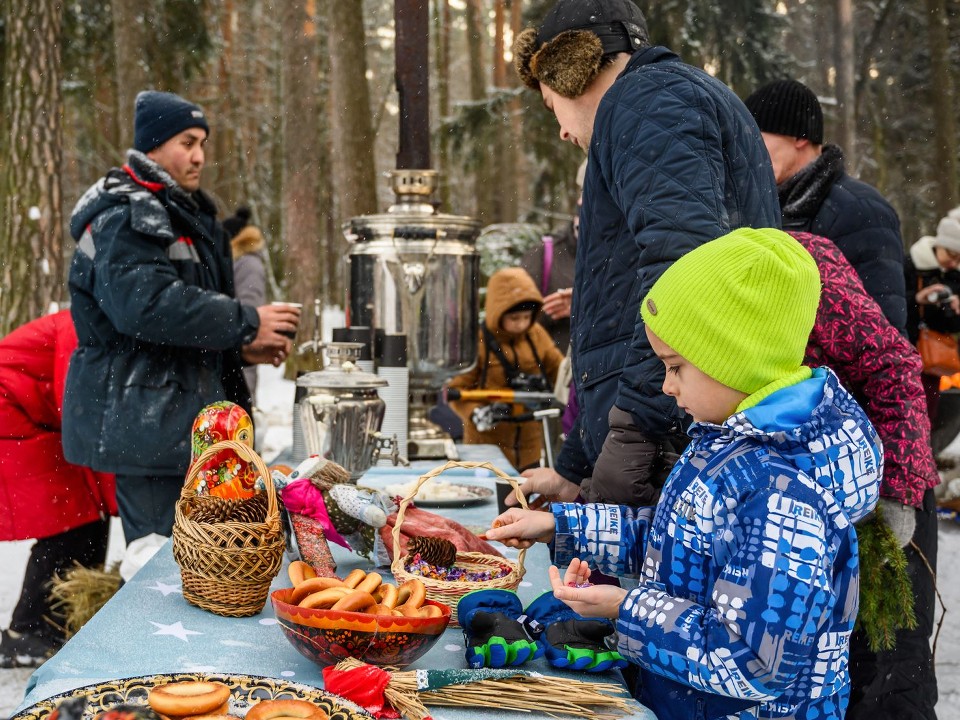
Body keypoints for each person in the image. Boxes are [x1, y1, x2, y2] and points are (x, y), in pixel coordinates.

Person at [486, 227, 884, 720]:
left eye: (675, 367)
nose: (666, 386)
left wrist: (625, 609)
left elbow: (754, 663)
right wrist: (564, 526)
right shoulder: (725, 442)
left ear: (736, 361)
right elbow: (678, 541)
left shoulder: (779, 492)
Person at [512, 0, 781, 508]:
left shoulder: (649, 101)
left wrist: (635, 432)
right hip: (673, 423)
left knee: (659, 587)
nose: (563, 132)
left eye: (553, 107)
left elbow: (681, 275)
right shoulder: (655, 104)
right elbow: (618, 312)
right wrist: (575, 467)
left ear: (572, 70)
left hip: (675, 434)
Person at [63, 90, 300, 548]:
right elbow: (145, 307)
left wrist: (239, 345)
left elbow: (175, 324)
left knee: (199, 564)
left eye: (203, 144)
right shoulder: (126, 216)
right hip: (148, 425)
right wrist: (245, 322)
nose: (199, 157)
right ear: (152, 146)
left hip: (179, 421)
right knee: (160, 572)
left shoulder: (179, 212)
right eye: (187, 143)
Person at [793, 230, 940, 720]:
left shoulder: (801, 254)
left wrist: (896, 488)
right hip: (815, 495)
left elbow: (893, 367)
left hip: (880, 487)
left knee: (889, 671)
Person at [744, 78, 907, 334]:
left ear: (799, 137)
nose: (750, 149)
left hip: (831, 374)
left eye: (757, 137)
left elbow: (883, 335)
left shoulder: (862, 210)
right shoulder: (759, 208)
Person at [0, 311, 117, 667]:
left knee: (86, 514)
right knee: (66, 516)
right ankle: (28, 632)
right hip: (13, 413)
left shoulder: (100, 323)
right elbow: (78, 402)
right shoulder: (81, 324)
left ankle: (60, 620)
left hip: (38, 417)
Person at [447, 267, 565, 471]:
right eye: (514, 318)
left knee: (527, 499)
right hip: (486, 448)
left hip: (530, 447)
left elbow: (559, 370)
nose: (522, 324)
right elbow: (456, 391)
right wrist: (476, 412)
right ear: (498, 313)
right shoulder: (478, 342)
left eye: (527, 317)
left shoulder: (536, 335)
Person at [224, 205, 268, 399]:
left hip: (241, 358)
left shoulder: (247, 265)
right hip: (234, 354)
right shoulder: (240, 263)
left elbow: (249, 318)